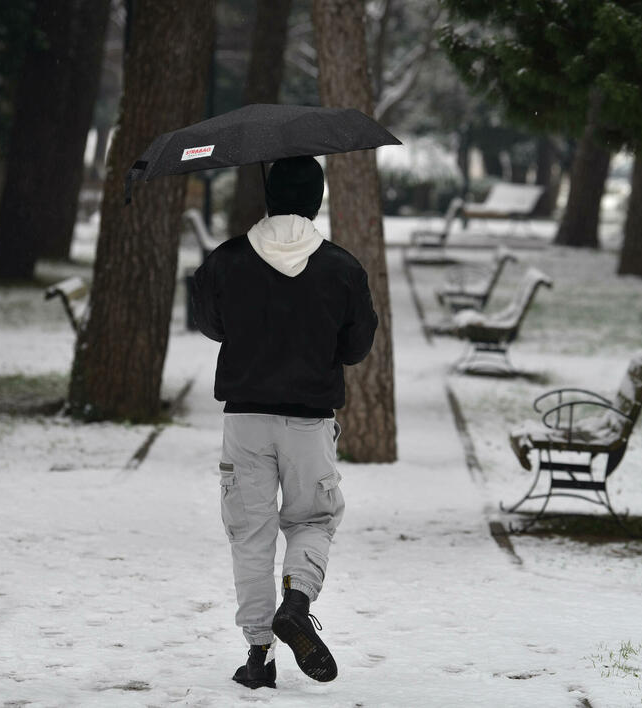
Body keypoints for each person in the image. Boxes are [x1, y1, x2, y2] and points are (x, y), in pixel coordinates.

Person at [190, 155, 378, 690]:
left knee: (249, 533)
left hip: (245, 419)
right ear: (316, 199)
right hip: (309, 423)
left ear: (268, 197)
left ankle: (258, 656)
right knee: (312, 521)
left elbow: (210, 323)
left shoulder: (227, 261)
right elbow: (357, 344)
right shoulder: (342, 267)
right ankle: (296, 602)